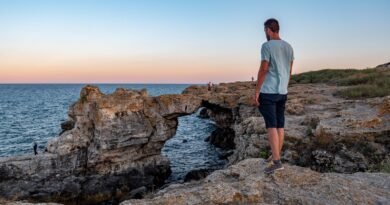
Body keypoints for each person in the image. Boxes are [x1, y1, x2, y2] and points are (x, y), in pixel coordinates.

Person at [254, 18, 294, 174]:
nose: (265, 33)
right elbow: (290, 71)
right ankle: (274, 156)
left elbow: (264, 69)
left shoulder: (267, 46)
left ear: (268, 30)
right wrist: (285, 86)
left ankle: (277, 162)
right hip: (282, 92)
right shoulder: (289, 47)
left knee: (271, 125)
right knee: (280, 125)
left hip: (269, 91)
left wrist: (257, 90)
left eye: (265, 31)